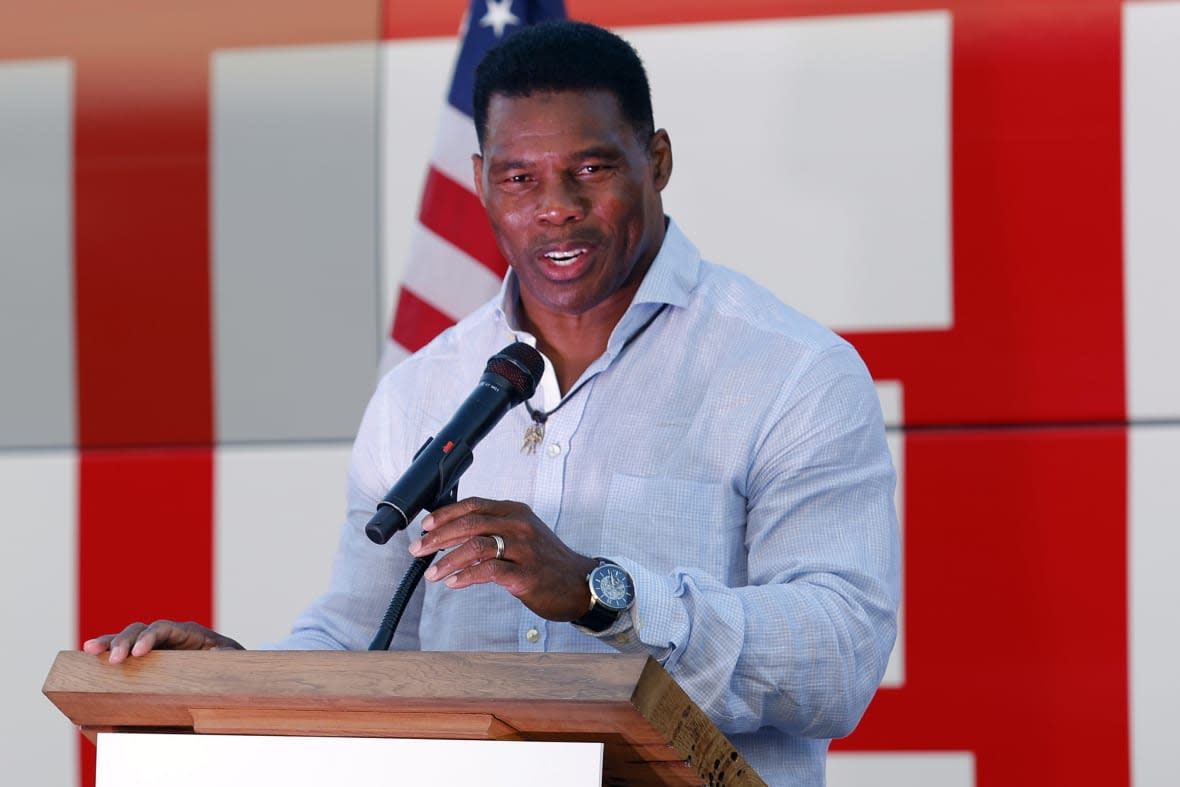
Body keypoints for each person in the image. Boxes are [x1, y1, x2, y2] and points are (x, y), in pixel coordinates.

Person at [84, 20, 900, 785]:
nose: (556, 207)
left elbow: (840, 656)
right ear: (479, 180)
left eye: (592, 168)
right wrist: (226, 681)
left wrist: (600, 593)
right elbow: (364, 644)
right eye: (519, 178)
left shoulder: (791, 373)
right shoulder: (423, 390)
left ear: (656, 160)